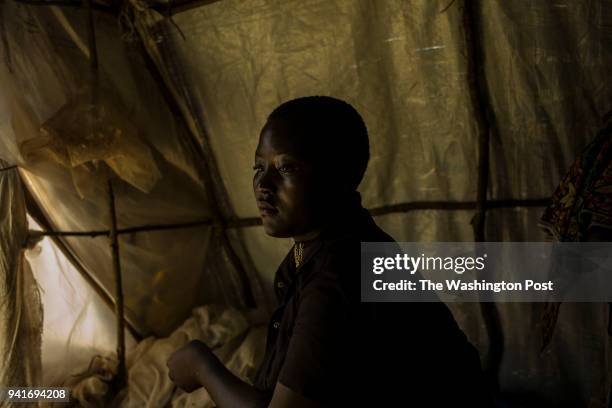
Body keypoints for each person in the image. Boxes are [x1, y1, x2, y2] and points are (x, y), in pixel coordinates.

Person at [167, 96, 492, 406]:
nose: (263, 185)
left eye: (285, 169)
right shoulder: (317, 251)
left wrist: (202, 366)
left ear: (335, 176)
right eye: (258, 168)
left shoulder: (341, 274)